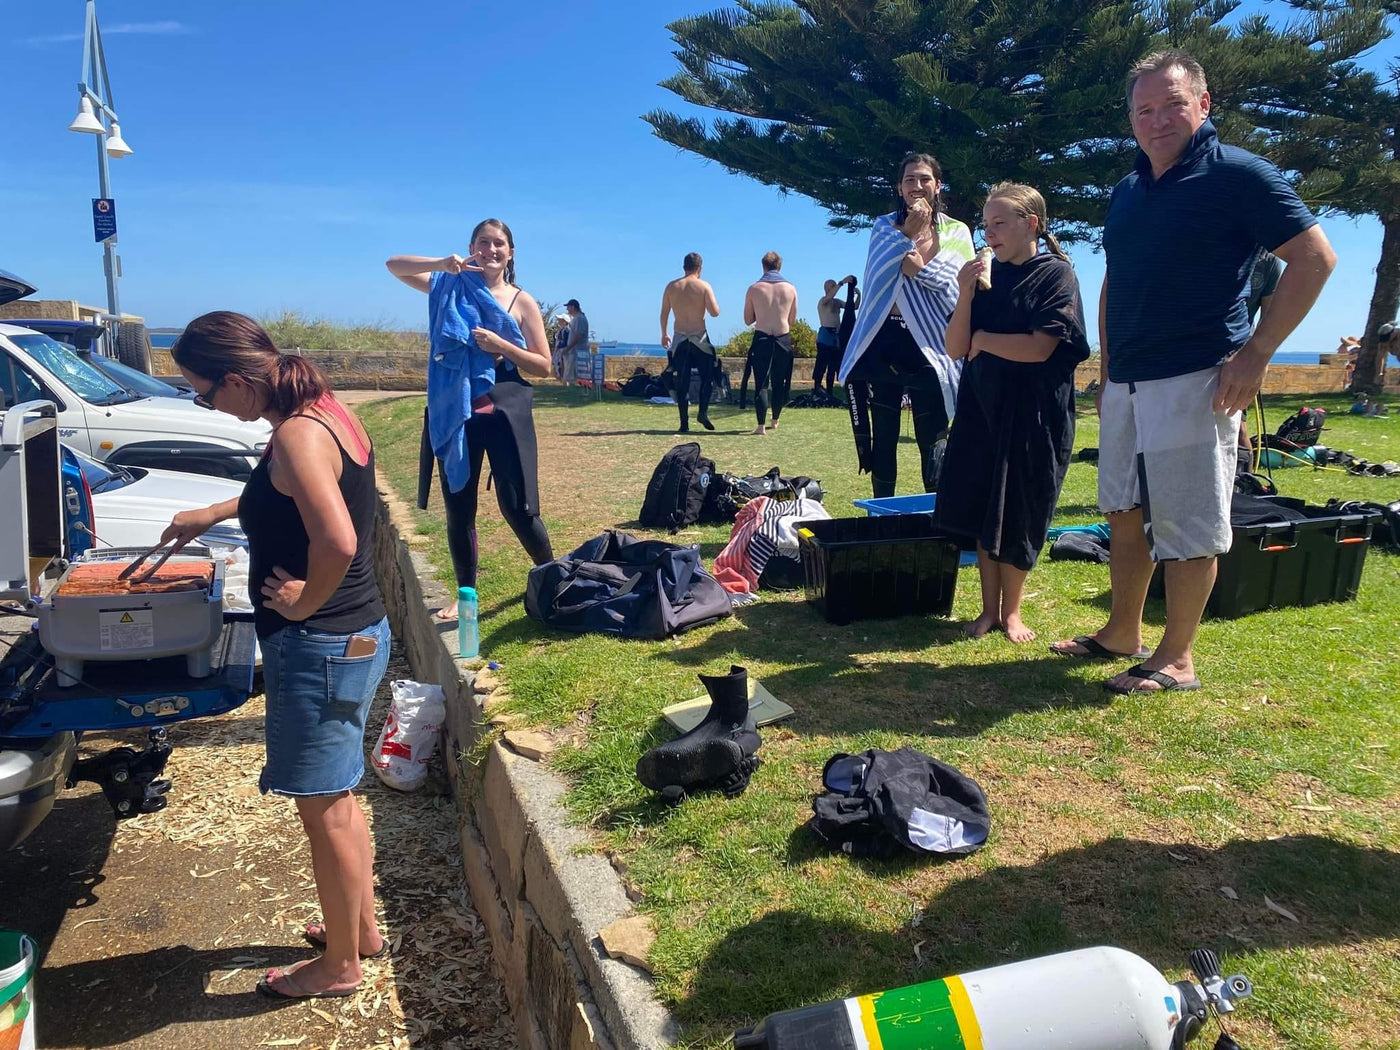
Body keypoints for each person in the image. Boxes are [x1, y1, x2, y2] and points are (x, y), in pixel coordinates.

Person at [1050, 50, 1336, 692]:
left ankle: (1177, 658)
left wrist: (1257, 354)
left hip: (1198, 375)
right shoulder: (1126, 192)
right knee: (1124, 512)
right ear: (1130, 119)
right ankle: (1122, 631)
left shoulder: (1239, 174)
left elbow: (1315, 258)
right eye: (1144, 109)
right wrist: (1109, 366)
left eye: (1173, 103)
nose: (1158, 120)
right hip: (1127, 381)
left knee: (1186, 524)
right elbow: (1117, 282)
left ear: (1203, 105)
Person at [160, 311, 391, 1000]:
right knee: (340, 797)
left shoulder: (294, 434)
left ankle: (341, 966)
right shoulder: (322, 412)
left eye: (203, 393)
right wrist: (214, 512)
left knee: (324, 808)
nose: (204, 405)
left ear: (236, 380)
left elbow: (339, 541)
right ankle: (363, 931)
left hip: (321, 645)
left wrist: (302, 603)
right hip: (357, 635)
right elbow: (295, 492)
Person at [936, 183, 1090, 642]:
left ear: (1032, 225)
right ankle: (988, 610)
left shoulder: (1056, 275)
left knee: (1022, 509)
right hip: (982, 410)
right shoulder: (985, 278)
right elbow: (954, 346)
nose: (990, 232)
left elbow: (1041, 348)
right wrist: (965, 293)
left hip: (1035, 415)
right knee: (986, 509)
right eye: (987, 224)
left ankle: (1015, 611)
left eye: (1000, 222)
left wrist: (985, 342)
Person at [386, 220, 555, 620]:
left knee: (517, 506)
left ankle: (551, 574)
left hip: (504, 411)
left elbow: (544, 366)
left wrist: (502, 345)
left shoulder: (521, 301)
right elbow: (394, 264)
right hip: (455, 410)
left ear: (510, 252)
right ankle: (466, 596)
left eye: (499, 244)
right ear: (472, 247)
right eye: (484, 242)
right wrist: (443, 263)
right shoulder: (448, 283)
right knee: (459, 508)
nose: (491, 249)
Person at [838, 152, 976, 496]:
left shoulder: (957, 230)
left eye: (925, 179)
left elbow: (962, 287)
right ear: (900, 187)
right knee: (883, 436)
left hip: (933, 343)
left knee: (933, 438)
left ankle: (937, 516)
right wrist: (907, 236)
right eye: (910, 179)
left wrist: (921, 270)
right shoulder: (884, 225)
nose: (917, 185)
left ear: (937, 185)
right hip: (886, 340)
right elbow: (878, 275)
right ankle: (882, 516)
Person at [660, 252, 722, 432]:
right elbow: (715, 312)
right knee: (708, 377)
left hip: (680, 338)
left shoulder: (672, 287)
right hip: (699, 338)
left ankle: (683, 423)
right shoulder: (703, 286)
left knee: (682, 380)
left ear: (684, 267)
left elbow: (664, 313)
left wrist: (664, 334)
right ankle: (702, 412)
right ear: (700, 268)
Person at [744, 251, 798, 435]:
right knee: (779, 382)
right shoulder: (790, 288)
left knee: (761, 383)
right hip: (783, 337)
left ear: (763, 266)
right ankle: (775, 421)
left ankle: (760, 426)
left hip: (762, 337)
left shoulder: (754, 288)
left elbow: (747, 319)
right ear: (779, 266)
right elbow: (791, 320)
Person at [813, 276, 858, 399]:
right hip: (825, 335)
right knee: (821, 363)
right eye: (832, 286)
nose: (834, 288)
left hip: (835, 336)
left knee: (833, 365)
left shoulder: (837, 302)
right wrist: (842, 283)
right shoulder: (823, 301)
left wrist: (857, 294)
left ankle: (830, 391)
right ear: (827, 288)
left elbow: (853, 307)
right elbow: (829, 296)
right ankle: (817, 387)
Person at [558, 298, 589, 384]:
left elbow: (579, 336)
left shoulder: (579, 319)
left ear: (573, 307)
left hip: (577, 351)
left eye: (568, 307)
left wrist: (568, 348)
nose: (567, 309)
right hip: (575, 351)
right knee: (571, 373)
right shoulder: (577, 319)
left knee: (574, 374)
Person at [552, 314, 571, 379]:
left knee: (563, 365)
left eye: (560, 320)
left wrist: (559, 346)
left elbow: (566, 342)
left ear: (564, 321)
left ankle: (564, 378)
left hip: (564, 351)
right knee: (558, 364)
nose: (558, 321)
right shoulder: (561, 330)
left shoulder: (566, 330)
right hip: (560, 351)